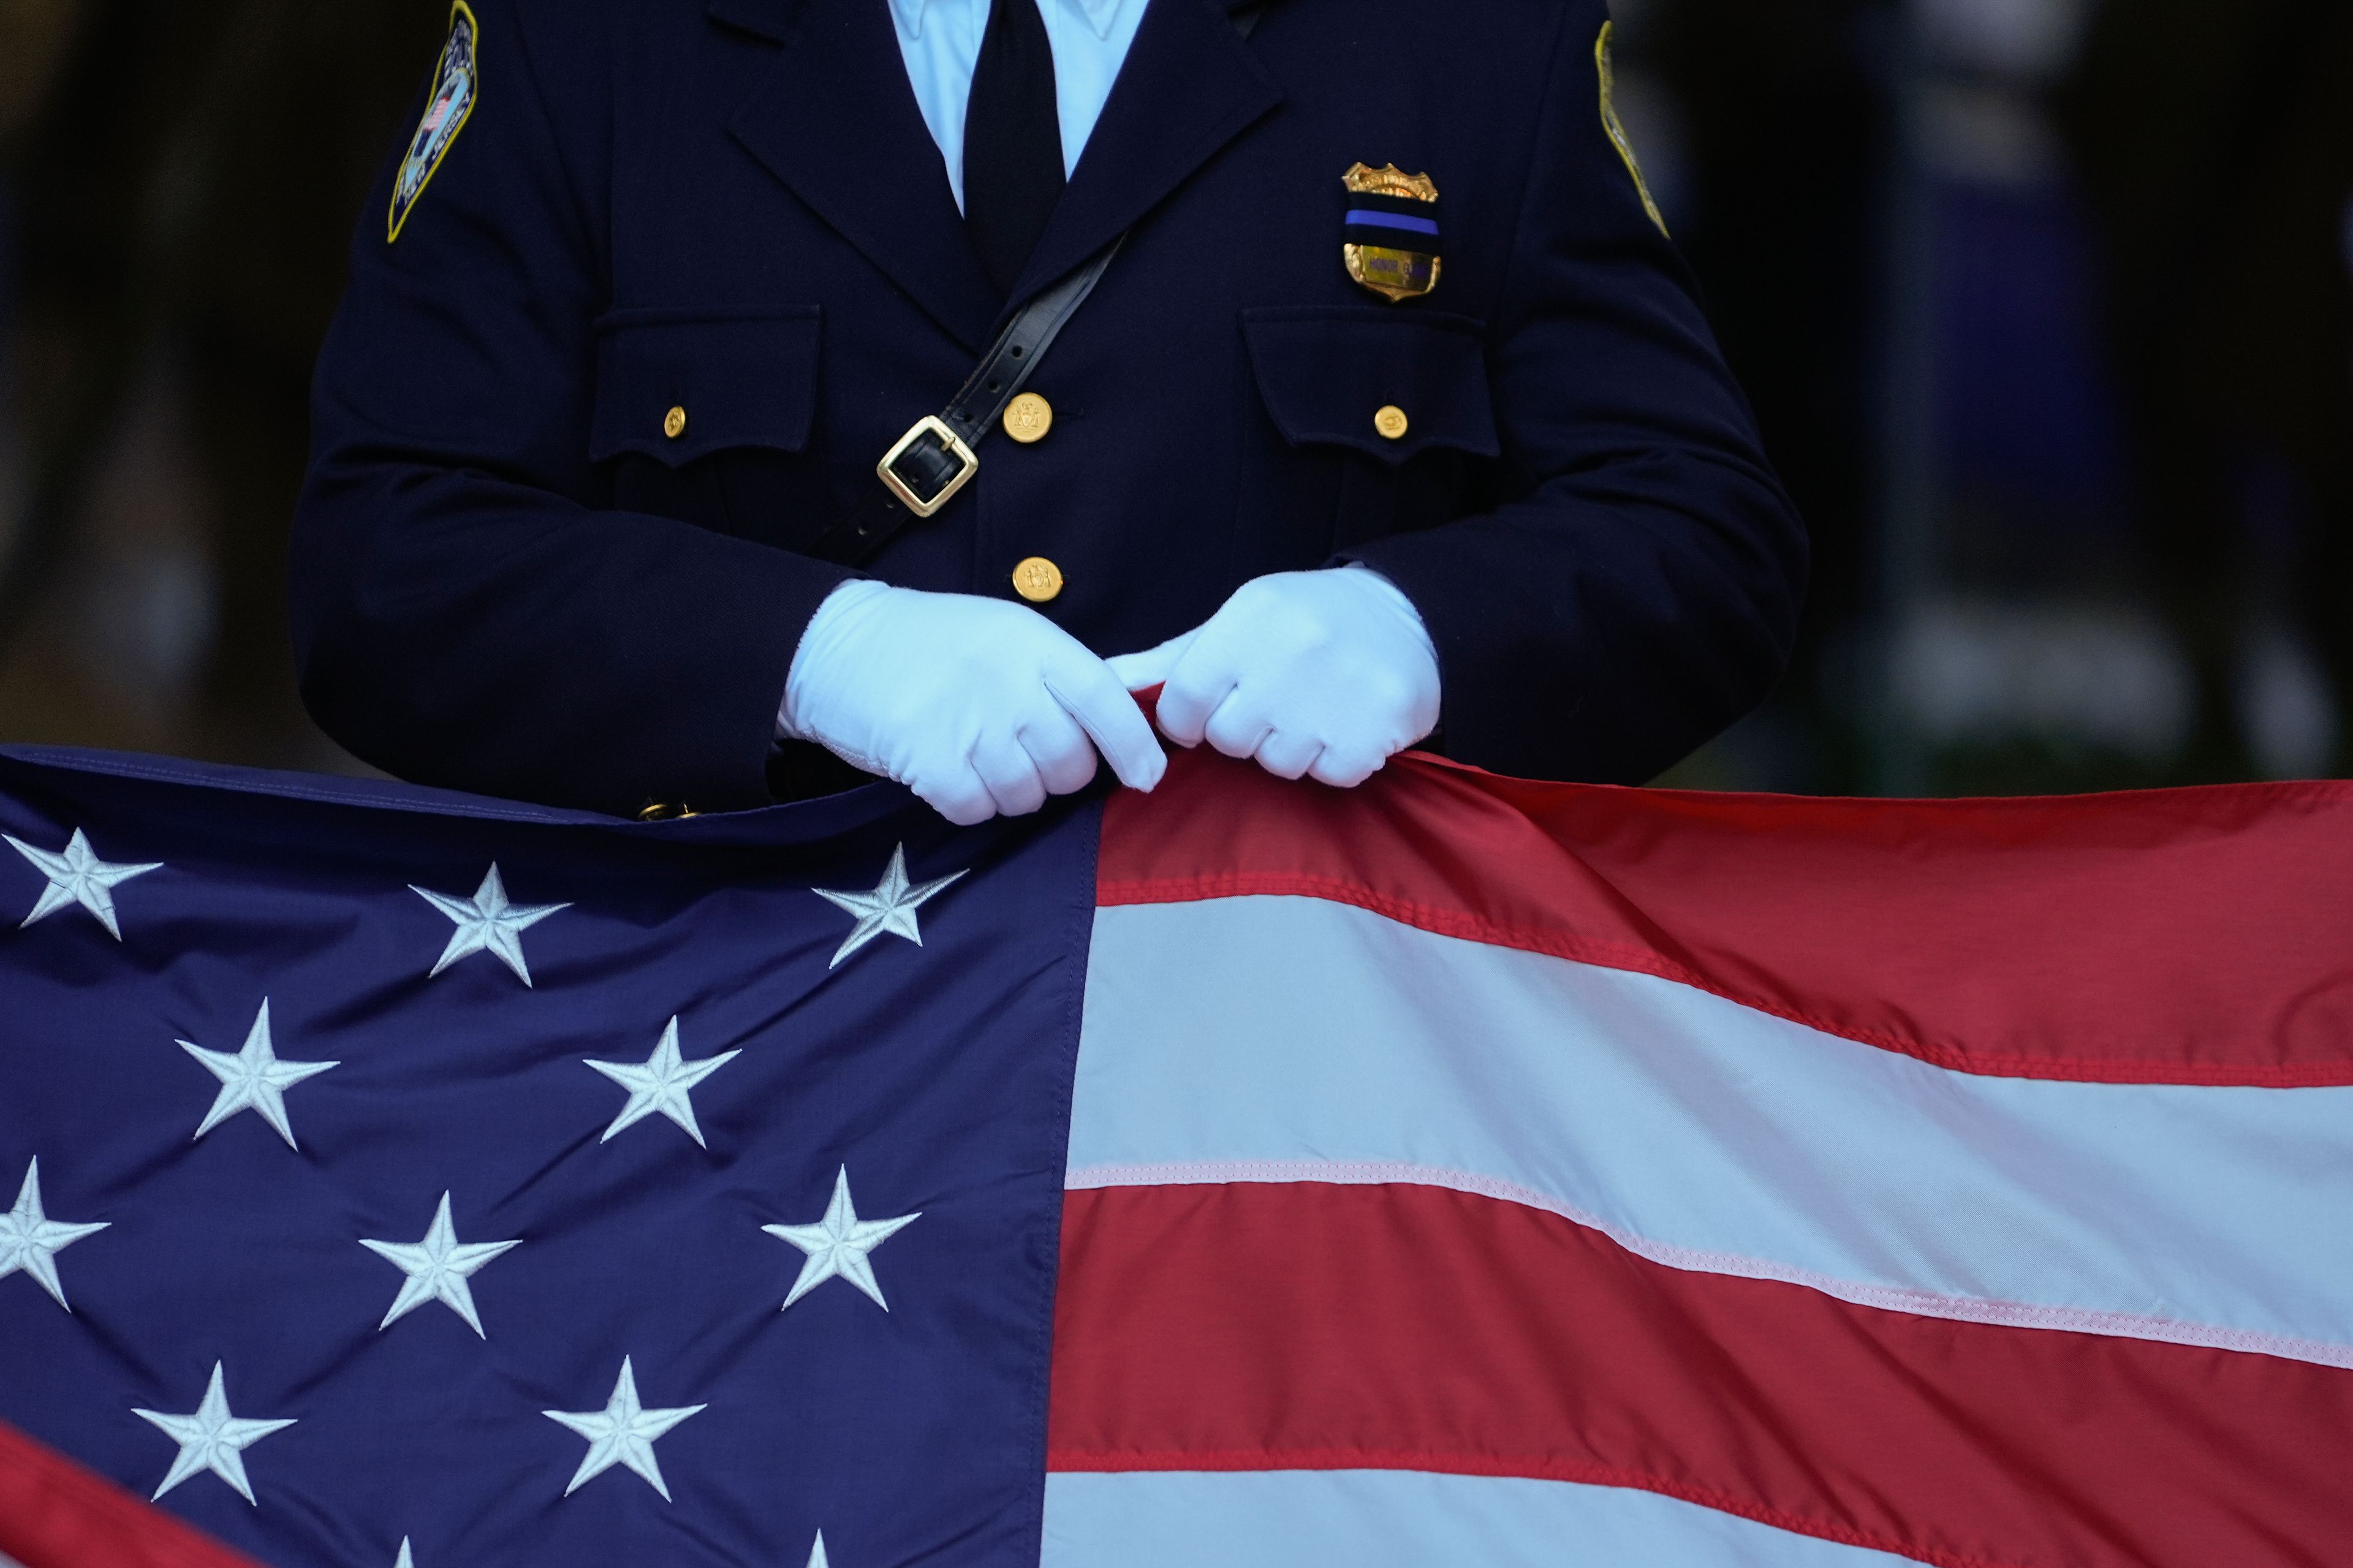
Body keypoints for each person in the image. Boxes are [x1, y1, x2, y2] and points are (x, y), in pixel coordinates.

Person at [289, 0, 1806, 823]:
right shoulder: (595, 41)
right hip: (743, 1088)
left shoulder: (1468, 41)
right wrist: (813, 657)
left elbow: (1705, 535)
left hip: (1270, 1085)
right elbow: (389, 561)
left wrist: (1416, 629)